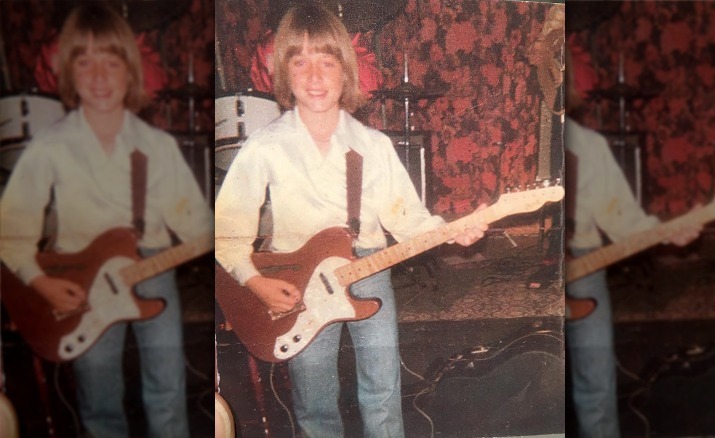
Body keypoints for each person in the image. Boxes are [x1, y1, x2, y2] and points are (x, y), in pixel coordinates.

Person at [214, 4, 486, 437]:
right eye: (299, 62)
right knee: (315, 399)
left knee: (381, 392)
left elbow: (409, 219)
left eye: (327, 61)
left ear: (347, 71)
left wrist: (452, 232)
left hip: (369, 269)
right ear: (283, 74)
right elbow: (226, 230)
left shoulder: (372, 145)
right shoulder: (265, 147)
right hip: (299, 283)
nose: (315, 76)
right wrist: (254, 281)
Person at [0, 4, 213, 437]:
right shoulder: (50, 146)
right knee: (98, 402)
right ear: (68, 72)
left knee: (168, 393)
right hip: (77, 283)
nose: (99, 76)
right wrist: (41, 283)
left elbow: (198, 228)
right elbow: (11, 229)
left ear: (130, 71)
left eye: (111, 62)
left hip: (153, 267)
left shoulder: (156, 146)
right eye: (85, 62)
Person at [564, 45, 701, 437]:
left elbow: (622, 217)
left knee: (596, 381)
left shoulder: (589, 146)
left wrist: (666, 231)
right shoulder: (522, 140)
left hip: (582, 265)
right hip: (529, 273)